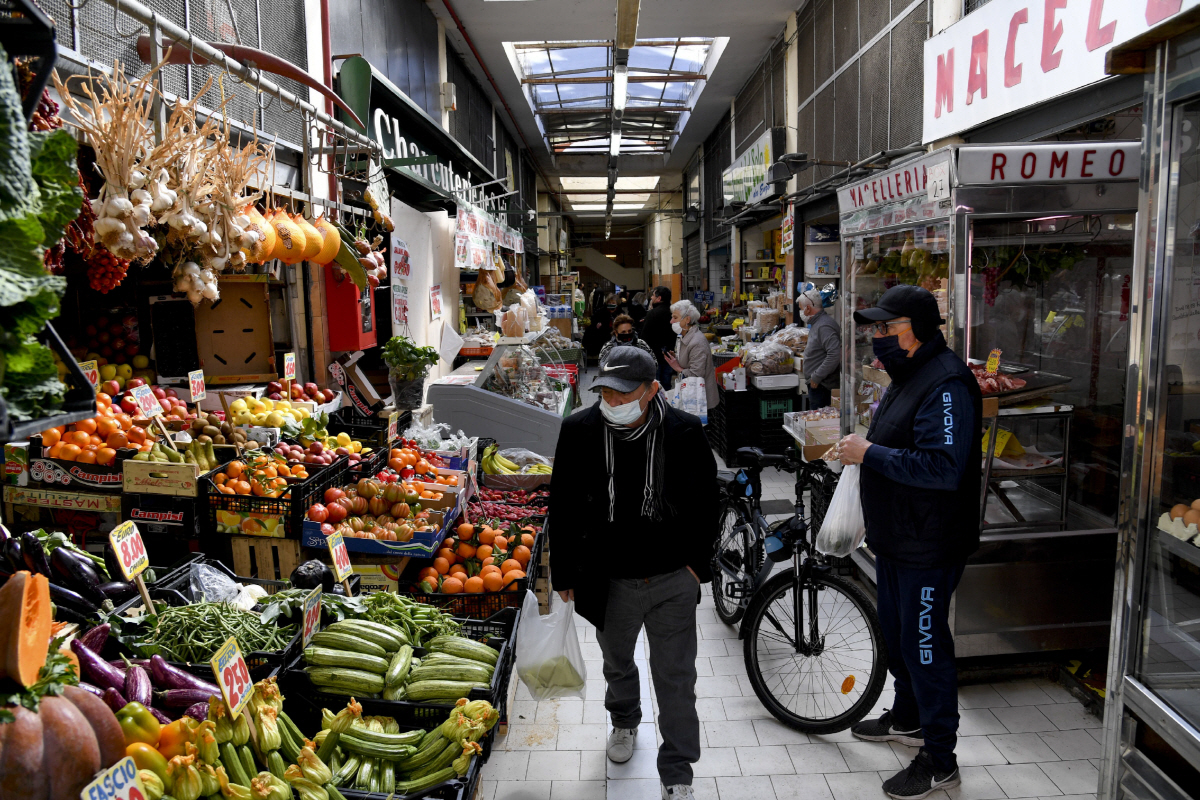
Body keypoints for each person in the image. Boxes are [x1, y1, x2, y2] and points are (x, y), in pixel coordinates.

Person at [549, 346, 718, 800]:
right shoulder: (579, 430)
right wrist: (564, 574)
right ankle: (624, 720)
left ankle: (678, 772)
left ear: (652, 390)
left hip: (670, 579)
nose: (613, 402)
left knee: (676, 678)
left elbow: (707, 504)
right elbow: (562, 506)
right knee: (617, 662)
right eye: (605, 391)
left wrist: (696, 568)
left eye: (624, 395)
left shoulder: (684, 432)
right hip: (608, 579)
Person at [836, 285, 983, 800]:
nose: (878, 337)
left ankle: (940, 760)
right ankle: (908, 717)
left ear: (916, 329)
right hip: (898, 538)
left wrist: (869, 453)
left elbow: (944, 468)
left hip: (930, 542)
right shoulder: (909, 374)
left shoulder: (947, 384)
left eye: (887, 328)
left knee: (925, 648)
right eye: (875, 329)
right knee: (899, 638)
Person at [664, 299, 718, 413]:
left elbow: (696, 374)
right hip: (690, 395)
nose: (671, 321)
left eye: (675, 317)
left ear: (687, 319)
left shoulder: (697, 342)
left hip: (701, 402)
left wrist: (677, 367)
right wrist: (677, 358)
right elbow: (689, 361)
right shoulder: (683, 336)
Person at [799, 285, 841, 409]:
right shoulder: (818, 323)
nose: (800, 312)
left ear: (808, 308)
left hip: (823, 386)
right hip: (818, 384)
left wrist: (817, 377)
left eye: (801, 309)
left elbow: (835, 354)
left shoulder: (824, 326)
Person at [641, 286, 676, 388]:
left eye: (653, 295)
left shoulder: (653, 313)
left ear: (659, 298)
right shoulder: (673, 313)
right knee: (666, 385)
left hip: (654, 356)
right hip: (669, 355)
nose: (651, 298)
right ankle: (666, 403)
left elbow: (644, 337)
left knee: (654, 386)